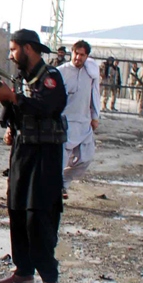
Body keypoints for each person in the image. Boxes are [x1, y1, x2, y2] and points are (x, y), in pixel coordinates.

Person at [0, 29, 67, 283]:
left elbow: (48, 107)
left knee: (40, 213)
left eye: (14, 49)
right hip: (23, 151)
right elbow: (13, 111)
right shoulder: (20, 78)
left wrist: (14, 99)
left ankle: (49, 276)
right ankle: (23, 271)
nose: (10, 55)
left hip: (45, 154)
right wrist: (7, 111)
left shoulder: (51, 78)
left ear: (28, 49)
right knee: (17, 209)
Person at [58, 41, 99, 193]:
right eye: (76, 53)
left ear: (86, 56)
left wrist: (95, 117)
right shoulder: (61, 71)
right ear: (72, 53)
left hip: (84, 121)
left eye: (82, 55)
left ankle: (64, 181)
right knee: (61, 158)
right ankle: (58, 187)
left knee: (85, 158)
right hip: (65, 122)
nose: (78, 58)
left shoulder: (91, 73)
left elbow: (94, 94)